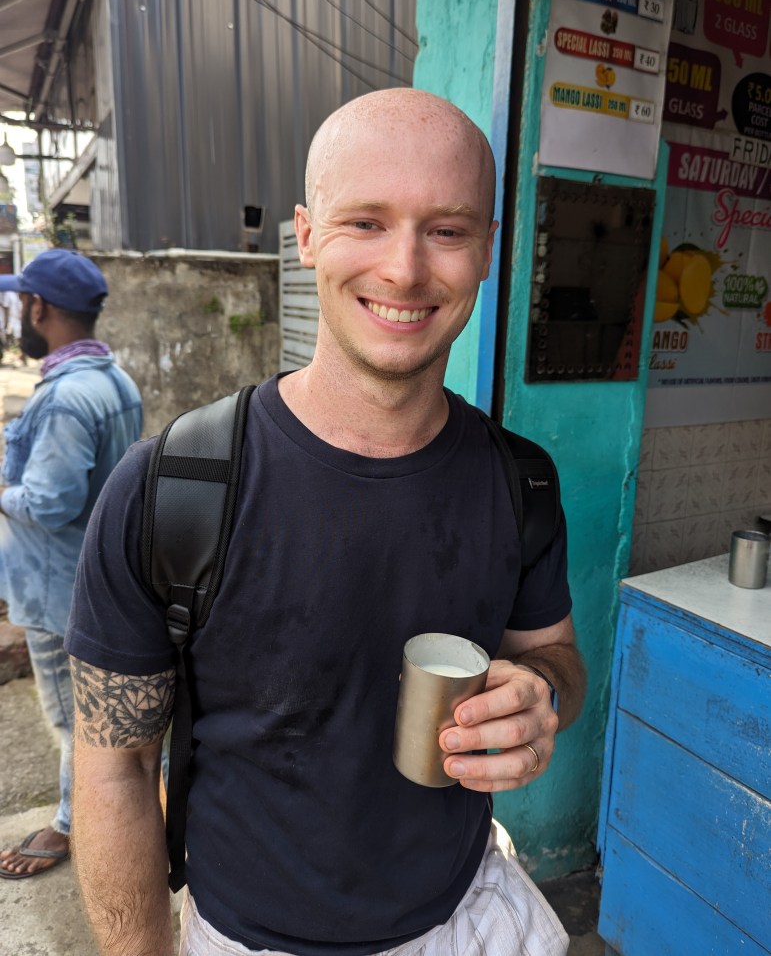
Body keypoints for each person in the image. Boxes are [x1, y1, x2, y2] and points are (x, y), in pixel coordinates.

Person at [65, 89, 586, 956]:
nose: (404, 269)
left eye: (446, 229)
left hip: (470, 918)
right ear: (306, 235)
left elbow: (556, 655)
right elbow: (115, 766)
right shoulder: (174, 487)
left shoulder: (520, 481)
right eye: (366, 222)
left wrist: (543, 697)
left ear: (487, 250)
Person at [0, 249, 143, 879]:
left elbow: (50, 503)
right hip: (98, 577)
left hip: (59, 592)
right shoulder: (114, 380)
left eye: (19, 302)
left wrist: (2, 492)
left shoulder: (65, 399)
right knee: (105, 715)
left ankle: (68, 824)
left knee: (73, 720)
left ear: (39, 307)